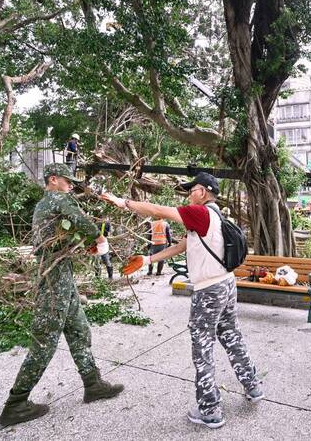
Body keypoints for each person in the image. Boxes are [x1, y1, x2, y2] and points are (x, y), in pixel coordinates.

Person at [101, 172, 262, 429]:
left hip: (209, 291)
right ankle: (253, 386)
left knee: (202, 349)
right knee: (232, 336)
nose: (188, 195)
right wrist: (148, 260)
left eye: (191, 190)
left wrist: (123, 202)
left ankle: (210, 410)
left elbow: (158, 210)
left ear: (203, 191)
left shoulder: (200, 213)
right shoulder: (215, 217)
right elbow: (182, 246)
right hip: (226, 284)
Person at [0, 164, 123, 427]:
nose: (70, 187)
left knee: (79, 329)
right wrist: (98, 240)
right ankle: (16, 403)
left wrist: (81, 244)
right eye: (67, 181)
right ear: (53, 180)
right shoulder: (57, 198)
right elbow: (84, 224)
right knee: (44, 340)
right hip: (55, 281)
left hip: (60, 273)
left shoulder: (45, 204)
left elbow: (63, 235)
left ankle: (93, 384)